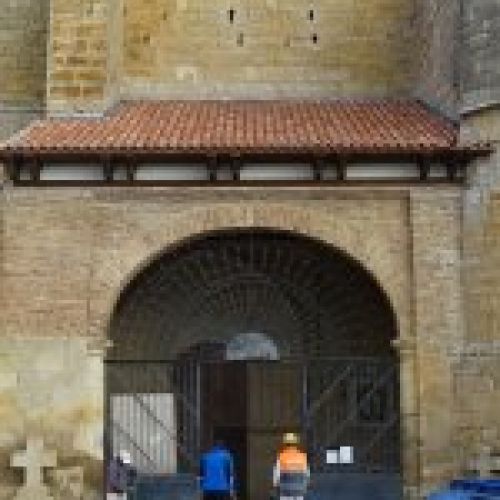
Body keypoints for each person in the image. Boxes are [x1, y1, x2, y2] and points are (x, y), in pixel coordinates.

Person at [273, 433, 310, 500]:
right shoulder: (302, 456)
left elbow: (276, 474)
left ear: (285, 444)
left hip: (285, 489)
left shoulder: (281, 456)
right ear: (296, 444)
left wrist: (276, 485)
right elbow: (306, 474)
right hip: (299, 489)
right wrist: (305, 486)